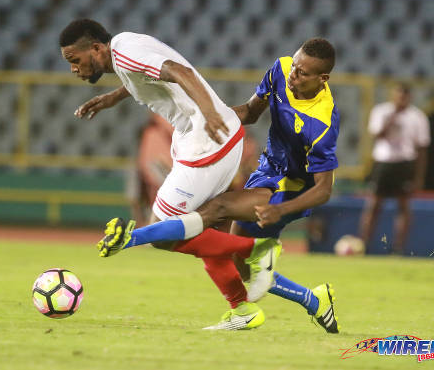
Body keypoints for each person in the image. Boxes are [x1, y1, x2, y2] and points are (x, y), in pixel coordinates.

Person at [101, 38, 341, 333]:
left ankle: (133, 237)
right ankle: (313, 301)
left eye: (303, 73)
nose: (294, 75)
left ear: (323, 78)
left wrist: (282, 211)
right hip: (266, 172)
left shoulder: (322, 122)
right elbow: (251, 113)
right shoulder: (281, 68)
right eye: (295, 66)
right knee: (232, 257)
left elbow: (324, 190)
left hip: (293, 189)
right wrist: (211, 119)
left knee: (216, 209)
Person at [59, 18, 280, 330]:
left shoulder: (124, 53)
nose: (74, 68)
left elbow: (181, 72)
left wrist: (210, 113)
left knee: (164, 232)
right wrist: (113, 98)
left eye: (74, 60)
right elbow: (144, 74)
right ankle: (244, 307)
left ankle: (257, 251)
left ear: (96, 48)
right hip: (207, 137)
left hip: (206, 139)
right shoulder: (125, 47)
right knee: (204, 230)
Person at [359, 83, 430, 254]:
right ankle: (364, 245)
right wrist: (392, 118)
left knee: (404, 206)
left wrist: (419, 177)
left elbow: (422, 148)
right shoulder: (381, 112)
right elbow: (376, 135)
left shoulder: (417, 117)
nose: (401, 99)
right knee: (374, 204)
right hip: (384, 161)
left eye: (404, 96)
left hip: (405, 163)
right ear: (393, 95)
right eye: (398, 95)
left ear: (409, 97)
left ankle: (398, 248)